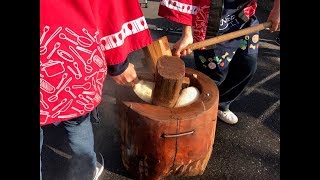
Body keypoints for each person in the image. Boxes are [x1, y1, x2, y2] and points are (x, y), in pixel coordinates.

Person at [40, 0, 152, 179]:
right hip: (72, 59)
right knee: (77, 120)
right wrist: (119, 66)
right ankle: (83, 172)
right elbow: (108, 9)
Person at [158, 0, 280, 124]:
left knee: (247, 65)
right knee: (214, 75)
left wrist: (277, 9)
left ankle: (221, 104)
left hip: (245, 15)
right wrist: (187, 33)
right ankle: (198, 109)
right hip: (211, 19)